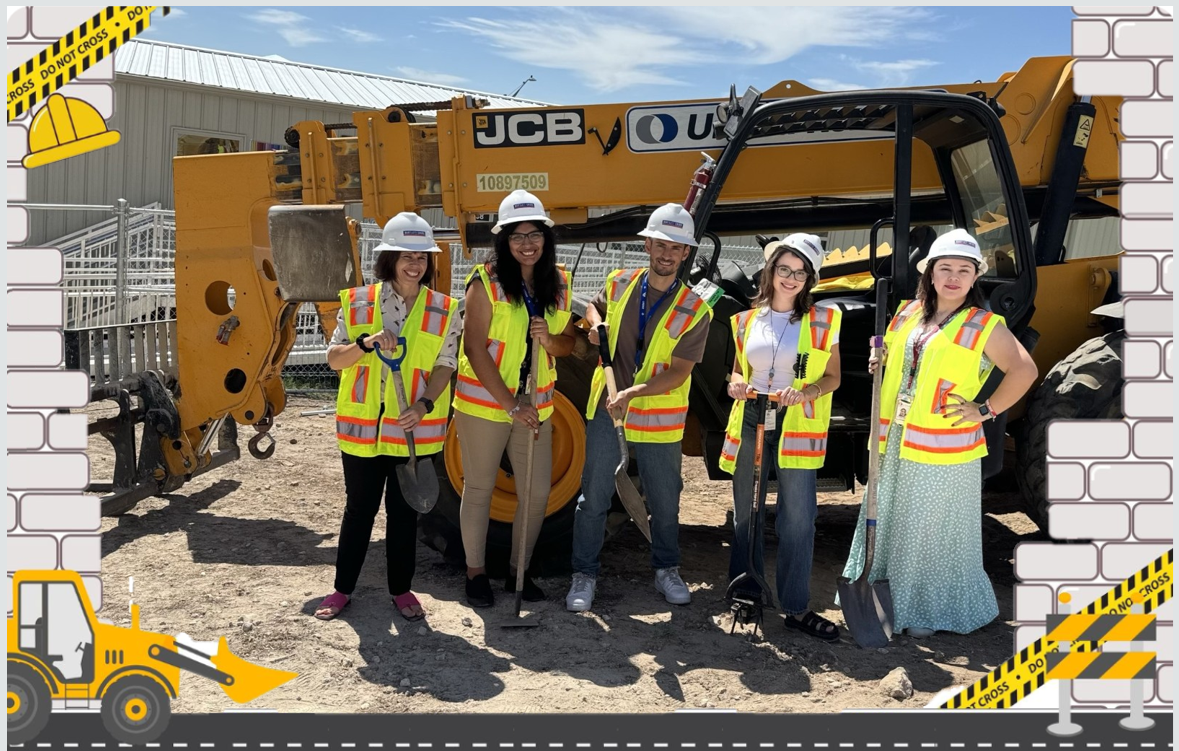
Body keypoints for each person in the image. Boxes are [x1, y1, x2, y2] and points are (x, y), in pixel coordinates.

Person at [840, 228, 1038, 637]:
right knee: (896, 518)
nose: (953, 277)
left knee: (931, 529)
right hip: (898, 436)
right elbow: (902, 359)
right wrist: (885, 363)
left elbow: (1024, 369)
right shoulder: (908, 312)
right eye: (945, 267)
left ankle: (925, 611)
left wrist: (985, 409)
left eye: (963, 270)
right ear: (929, 273)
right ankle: (892, 598)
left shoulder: (983, 324)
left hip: (945, 447)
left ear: (974, 278)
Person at [566, 203, 713, 612]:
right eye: (660, 244)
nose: (667, 254)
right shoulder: (619, 283)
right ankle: (584, 574)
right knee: (593, 497)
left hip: (658, 420)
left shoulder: (696, 310)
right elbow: (594, 306)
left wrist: (632, 394)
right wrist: (595, 325)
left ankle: (667, 568)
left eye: (677, 247)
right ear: (647, 244)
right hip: (606, 409)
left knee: (665, 502)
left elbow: (679, 372)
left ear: (686, 254)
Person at [315, 213, 461, 622]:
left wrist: (424, 405)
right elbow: (333, 360)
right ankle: (342, 590)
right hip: (363, 432)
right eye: (406, 256)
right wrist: (365, 343)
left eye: (422, 257)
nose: (415, 265)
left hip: (411, 431)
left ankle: (401, 590)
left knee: (404, 515)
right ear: (390, 259)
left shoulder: (445, 309)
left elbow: (445, 365)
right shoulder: (358, 302)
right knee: (358, 511)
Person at [453, 190, 578, 608]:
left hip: (536, 406)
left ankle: (518, 572)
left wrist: (553, 339)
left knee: (538, 493)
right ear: (503, 242)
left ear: (546, 237)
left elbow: (568, 344)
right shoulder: (484, 282)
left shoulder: (558, 282)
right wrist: (511, 404)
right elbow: (473, 349)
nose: (528, 244)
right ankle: (475, 574)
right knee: (480, 488)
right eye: (517, 236)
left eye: (535, 234)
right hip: (487, 405)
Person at [720, 234, 842, 641]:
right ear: (771, 272)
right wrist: (736, 384)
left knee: (798, 519)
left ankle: (795, 606)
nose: (791, 278)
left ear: (810, 279)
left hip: (796, 422)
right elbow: (738, 371)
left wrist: (805, 392)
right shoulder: (744, 321)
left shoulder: (825, 321)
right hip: (753, 415)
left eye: (800, 272)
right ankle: (745, 592)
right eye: (784, 269)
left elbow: (833, 377)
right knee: (746, 513)